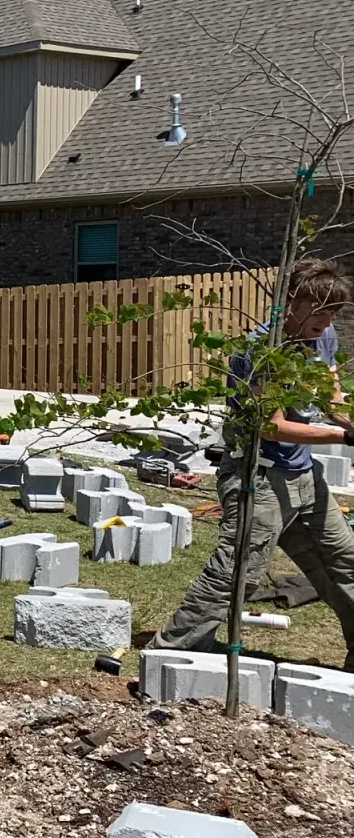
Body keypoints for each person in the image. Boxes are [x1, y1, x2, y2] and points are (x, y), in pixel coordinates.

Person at [154, 257, 354, 663]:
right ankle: (172, 654)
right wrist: (345, 436)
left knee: (345, 561)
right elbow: (271, 427)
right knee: (239, 569)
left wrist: (349, 417)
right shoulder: (258, 351)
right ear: (290, 301)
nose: (326, 318)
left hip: (304, 477)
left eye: (333, 310)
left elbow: (330, 393)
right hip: (257, 477)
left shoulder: (325, 336)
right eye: (317, 308)